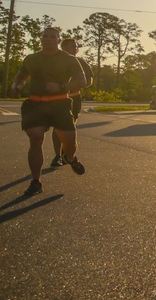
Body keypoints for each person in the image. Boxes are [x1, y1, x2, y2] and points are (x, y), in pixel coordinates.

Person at [9, 27, 89, 196]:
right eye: (45, 36)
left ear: (58, 41)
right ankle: (36, 181)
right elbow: (21, 75)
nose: (48, 39)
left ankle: (70, 158)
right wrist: (17, 86)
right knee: (36, 139)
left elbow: (81, 80)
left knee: (69, 143)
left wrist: (62, 87)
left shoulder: (68, 59)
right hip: (35, 104)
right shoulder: (32, 58)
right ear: (41, 39)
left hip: (60, 104)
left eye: (52, 37)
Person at [50, 37, 93, 167]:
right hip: (58, 98)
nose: (75, 48)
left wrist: (77, 84)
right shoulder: (54, 61)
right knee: (57, 127)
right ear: (64, 48)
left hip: (75, 98)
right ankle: (57, 156)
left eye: (76, 46)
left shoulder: (81, 62)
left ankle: (66, 154)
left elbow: (89, 80)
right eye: (72, 46)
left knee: (70, 127)